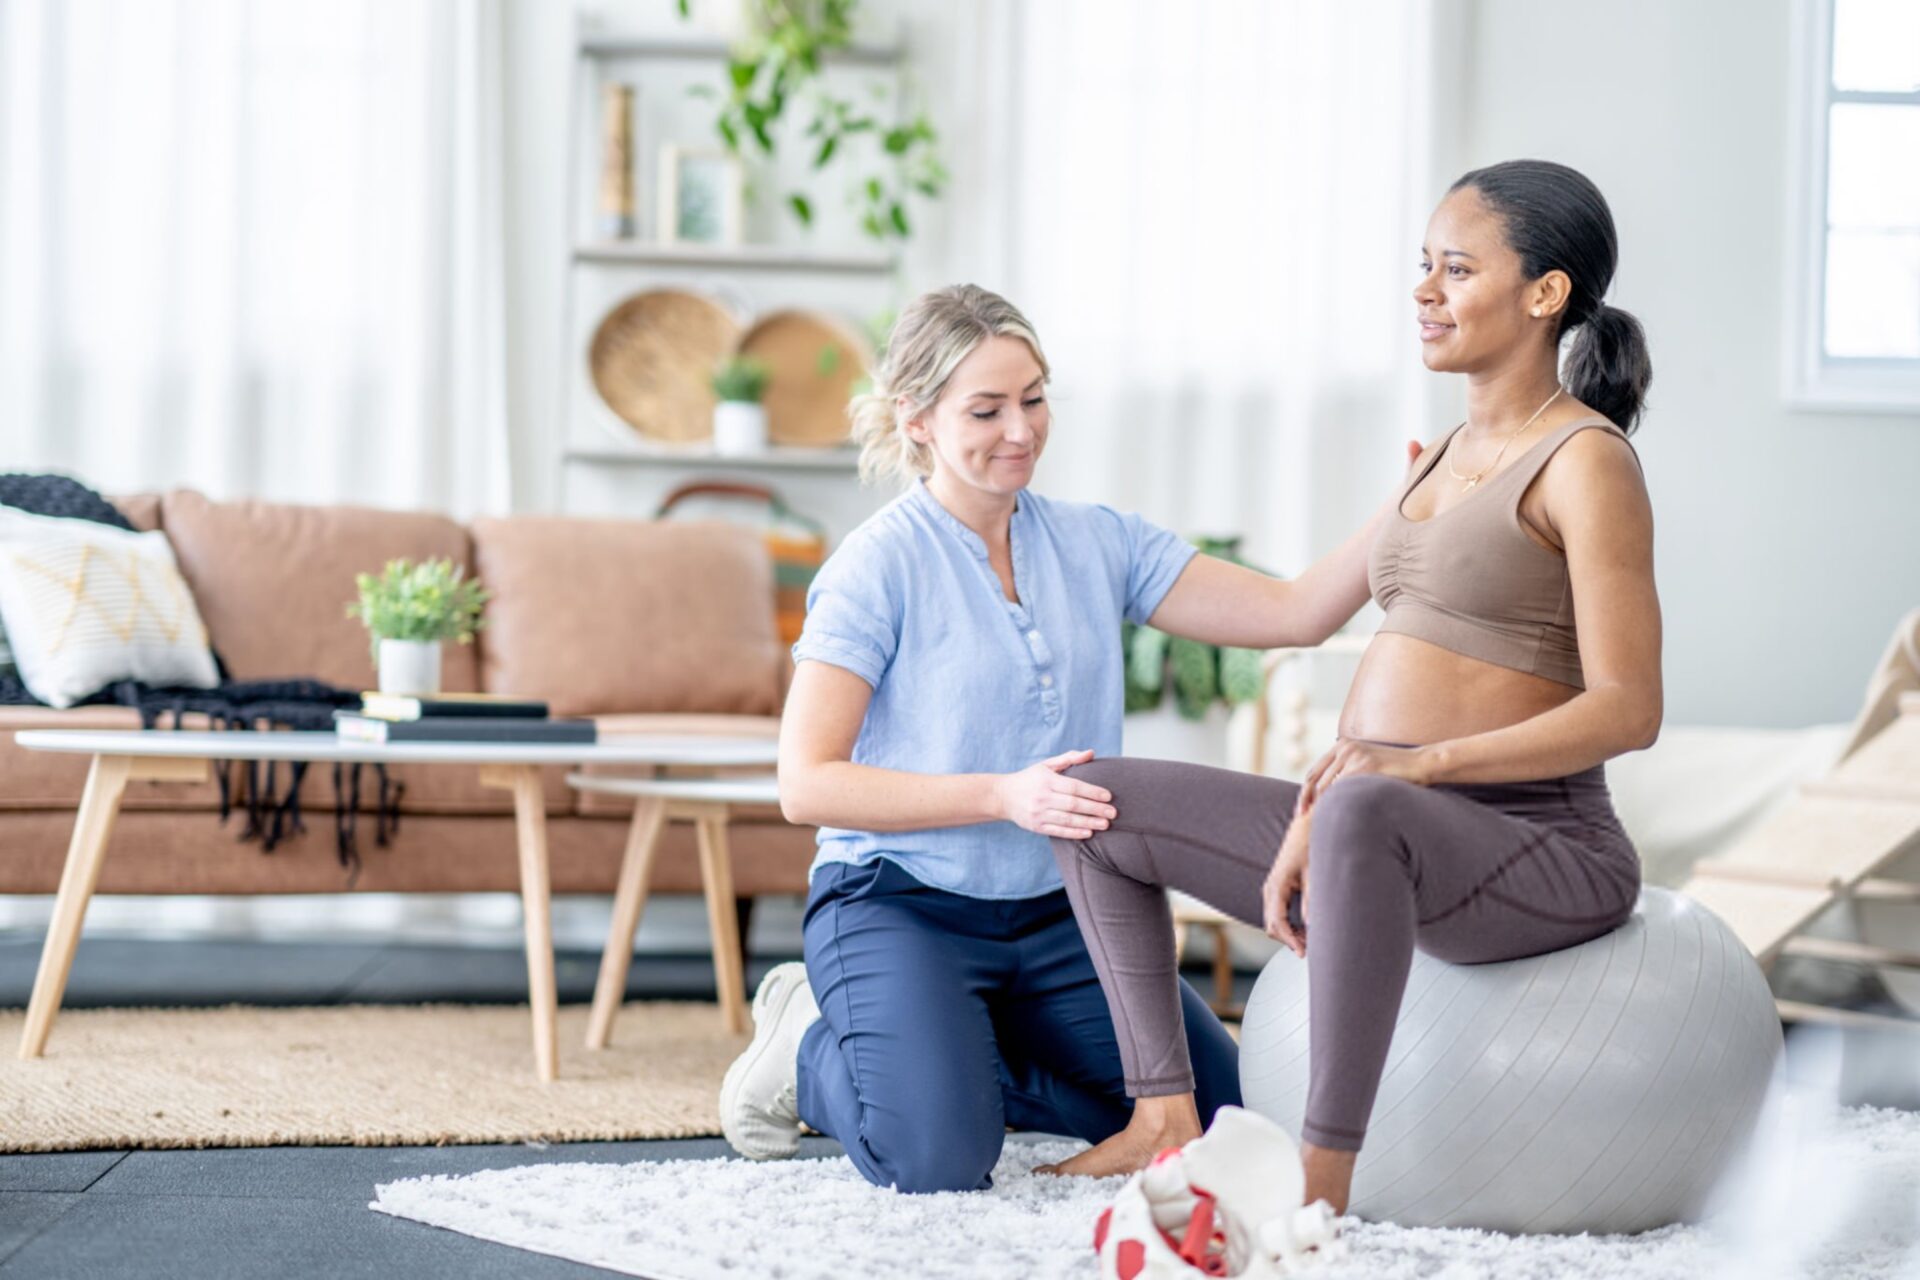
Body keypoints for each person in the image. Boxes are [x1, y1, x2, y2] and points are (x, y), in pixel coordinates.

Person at [1044, 158, 1661, 1216]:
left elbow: (1629, 708)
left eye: (1456, 268)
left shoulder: (1584, 460)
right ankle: (1162, 1110)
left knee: (1370, 803)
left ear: (1544, 293)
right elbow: (1305, 606)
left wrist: (1408, 767)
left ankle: (1315, 1187)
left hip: (1539, 845)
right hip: (1373, 829)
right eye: (1422, 265)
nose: (1423, 289)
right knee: (1092, 803)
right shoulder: (1444, 454)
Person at [718, 284, 1396, 1193]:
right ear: (916, 419)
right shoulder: (875, 568)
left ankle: (958, 1054)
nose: (1021, 430)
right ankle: (807, 1050)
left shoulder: (1098, 542)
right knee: (938, 1158)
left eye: (1034, 399)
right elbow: (807, 785)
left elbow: (1296, 612)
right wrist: (1001, 794)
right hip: (901, 900)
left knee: (1225, 1114)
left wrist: (1412, 504)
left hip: (1059, 915)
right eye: (987, 409)